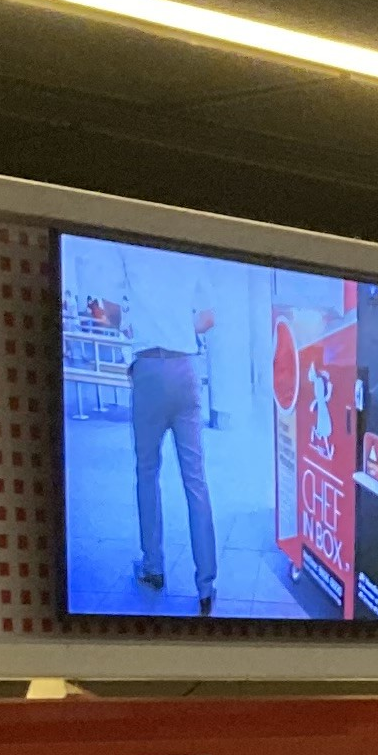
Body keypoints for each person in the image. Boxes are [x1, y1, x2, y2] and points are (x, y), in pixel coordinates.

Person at [104, 242, 219, 611]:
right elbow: (208, 318)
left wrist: (137, 326)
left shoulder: (128, 249)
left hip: (149, 368)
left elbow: (108, 311)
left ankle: (153, 567)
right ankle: (205, 586)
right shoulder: (190, 251)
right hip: (186, 368)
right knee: (195, 480)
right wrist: (178, 328)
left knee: (147, 472)